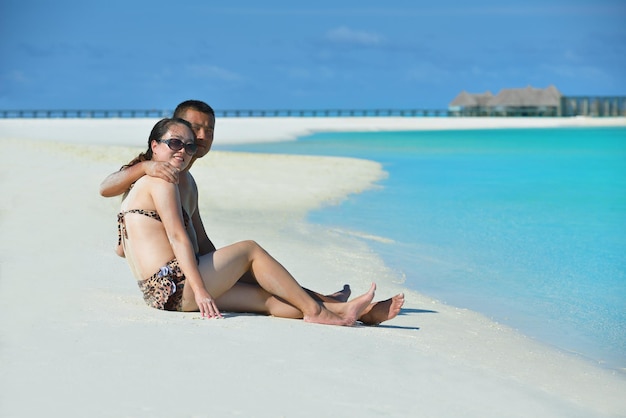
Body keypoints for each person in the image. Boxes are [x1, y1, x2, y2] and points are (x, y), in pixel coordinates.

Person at [102, 100, 404, 325]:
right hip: (176, 282)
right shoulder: (159, 176)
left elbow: (199, 243)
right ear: (158, 142)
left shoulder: (186, 182)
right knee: (250, 251)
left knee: (265, 297)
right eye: (184, 136)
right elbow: (175, 236)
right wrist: (203, 287)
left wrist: (228, 274)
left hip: (160, 294)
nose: (199, 137)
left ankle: (356, 312)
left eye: (206, 131)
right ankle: (317, 309)